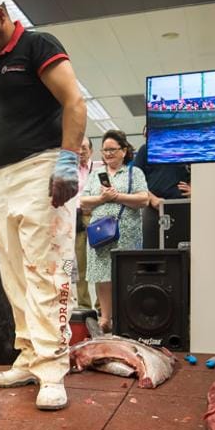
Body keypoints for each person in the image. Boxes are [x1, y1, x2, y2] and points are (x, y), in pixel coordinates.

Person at [0, 0, 86, 411]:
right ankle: (29, 355)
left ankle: (53, 367)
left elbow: (74, 101)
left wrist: (67, 159)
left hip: (42, 168)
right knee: (15, 274)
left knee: (46, 270)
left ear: (0, 15)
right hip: (3, 180)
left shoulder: (36, 45)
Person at [79, 130, 149, 331]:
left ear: (124, 151)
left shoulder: (133, 173)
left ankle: (129, 317)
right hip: (100, 235)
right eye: (105, 150)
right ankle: (106, 319)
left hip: (127, 233)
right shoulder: (95, 175)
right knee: (102, 275)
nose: (108, 154)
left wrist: (117, 196)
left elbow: (143, 199)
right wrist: (101, 199)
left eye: (112, 149)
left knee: (128, 275)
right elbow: (83, 201)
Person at [73, 135, 94, 309]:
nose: (80, 151)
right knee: (80, 264)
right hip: (76, 219)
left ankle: (102, 307)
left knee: (99, 262)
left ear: (91, 151)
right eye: (78, 148)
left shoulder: (99, 169)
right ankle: (84, 305)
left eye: (84, 148)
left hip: (96, 218)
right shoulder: (69, 170)